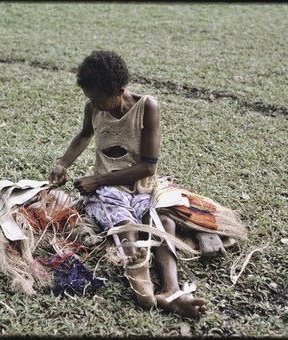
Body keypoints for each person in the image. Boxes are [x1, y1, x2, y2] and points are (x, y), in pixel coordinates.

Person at [49, 50, 206, 318]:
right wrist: (63, 163)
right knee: (123, 223)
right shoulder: (93, 108)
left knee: (162, 223)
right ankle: (139, 277)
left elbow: (148, 167)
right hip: (109, 190)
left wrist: (96, 179)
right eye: (90, 99)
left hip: (140, 184)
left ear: (120, 90)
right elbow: (85, 134)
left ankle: (171, 290)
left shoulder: (147, 107)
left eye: (100, 99)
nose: (95, 105)